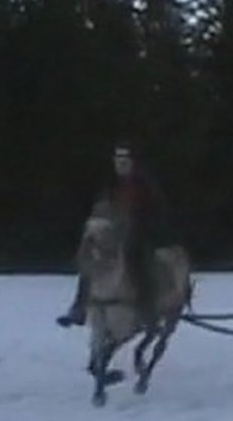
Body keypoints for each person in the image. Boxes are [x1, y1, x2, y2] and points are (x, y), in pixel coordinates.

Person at [57, 140, 173, 328]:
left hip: (138, 235)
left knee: (138, 264)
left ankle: (147, 310)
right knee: (91, 265)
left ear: (133, 162)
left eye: (124, 159)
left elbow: (157, 211)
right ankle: (79, 307)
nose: (120, 163)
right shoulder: (111, 185)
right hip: (112, 236)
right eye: (117, 159)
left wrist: (140, 224)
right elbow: (102, 207)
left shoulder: (144, 185)